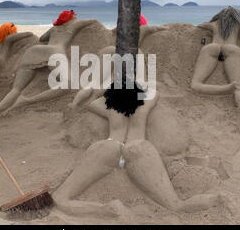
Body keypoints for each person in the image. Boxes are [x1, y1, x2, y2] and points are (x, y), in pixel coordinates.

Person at [53, 82, 219, 216]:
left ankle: (106, 209)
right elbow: (154, 92)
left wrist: (102, 91)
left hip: (110, 146)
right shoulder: (143, 105)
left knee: (60, 197)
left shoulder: (110, 107)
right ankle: (198, 202)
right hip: (137, 146)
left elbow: (91, 103)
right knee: (175, 204)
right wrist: (143, 87)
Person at [0, 10, 97, 119]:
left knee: (16, 89)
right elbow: (92, 21)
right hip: (55, 52)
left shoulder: (54, 28)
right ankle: (27, 100)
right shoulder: (74, 24)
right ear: (72, 17)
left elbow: (42, 38)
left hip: (35, 51)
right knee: (67, 85)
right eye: (74, 15)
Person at [191, 6, 240, 116]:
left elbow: (200, 25)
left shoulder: (214, 24)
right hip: (232, 48)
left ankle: (224, 89)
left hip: (212, 47)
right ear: (237, 15)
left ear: (219, 15)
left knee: (195, 85)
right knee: (239, 86)